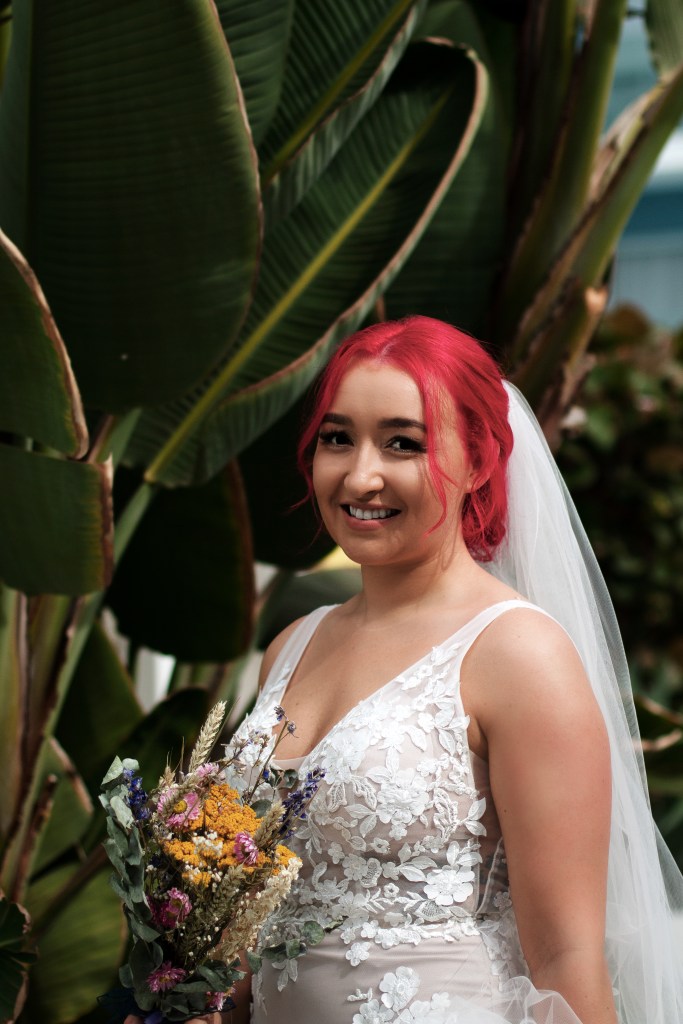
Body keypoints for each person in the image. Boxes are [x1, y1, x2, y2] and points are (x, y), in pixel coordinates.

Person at [126, 316, 683, 1024]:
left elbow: (566, 957)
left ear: (479, 460)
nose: (360, 474)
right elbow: (268, 921)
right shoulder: (292, 644)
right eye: (337, 439)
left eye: (402, 444)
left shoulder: (517, 653)